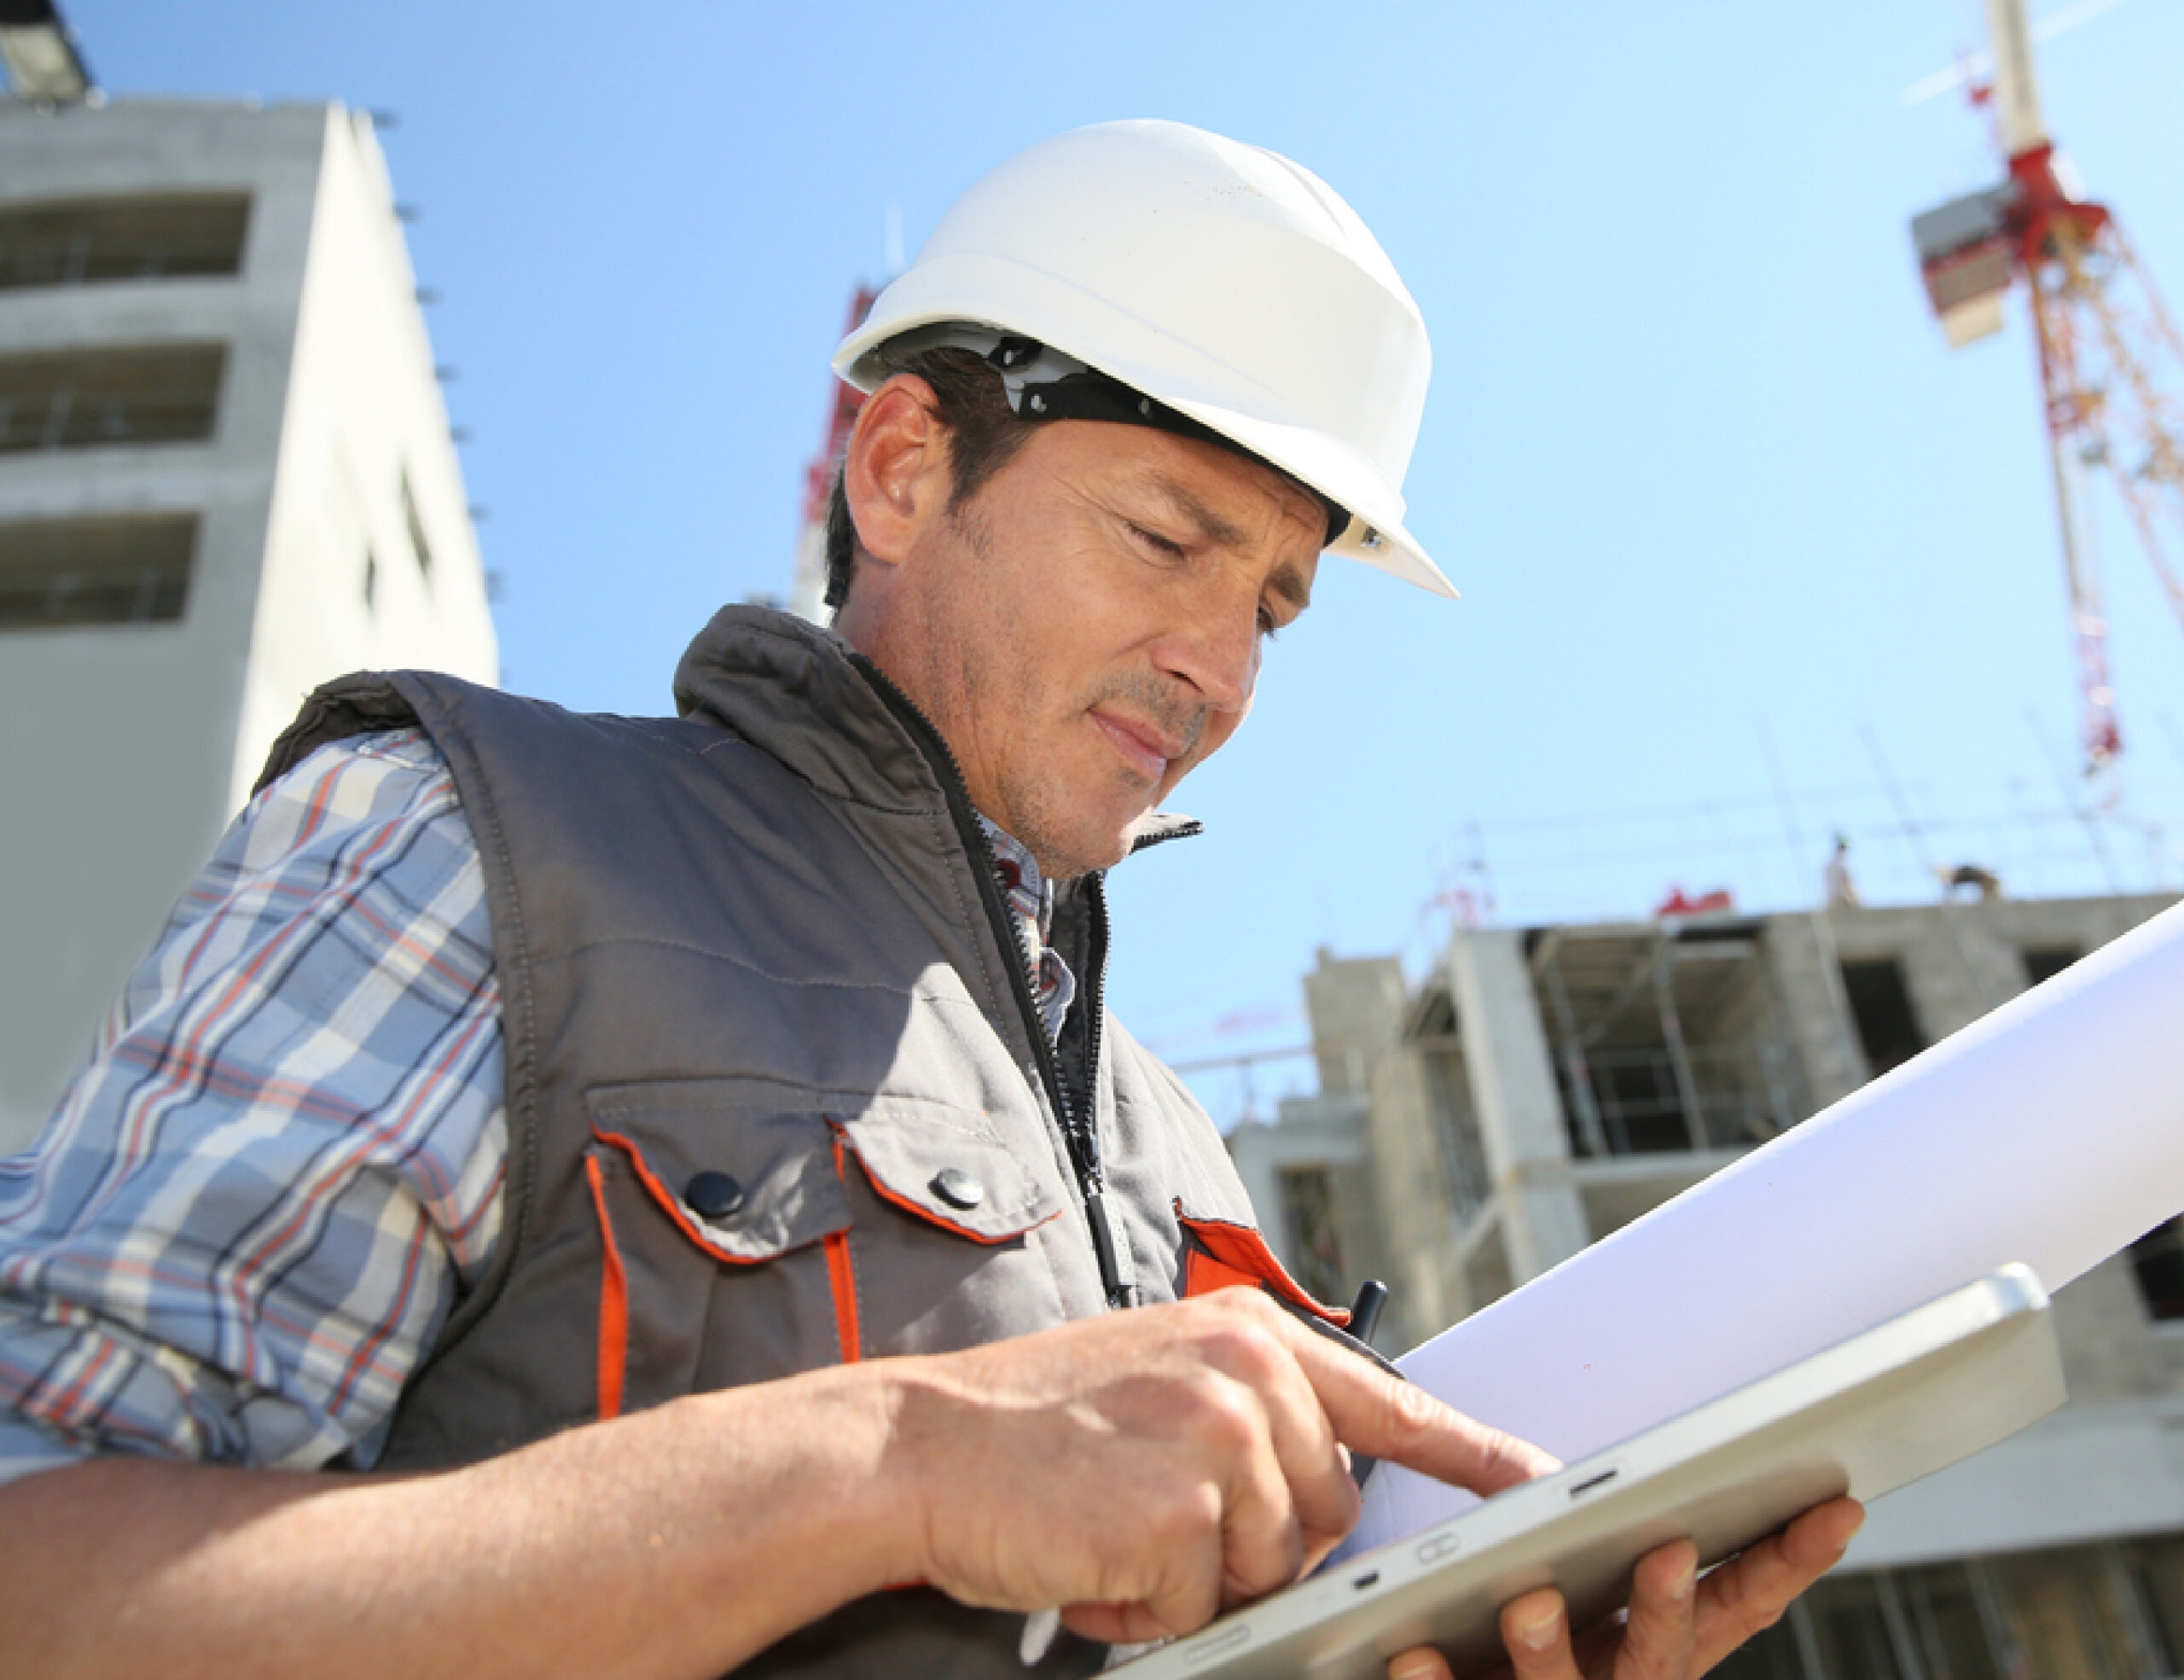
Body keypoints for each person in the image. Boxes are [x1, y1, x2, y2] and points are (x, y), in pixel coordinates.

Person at [0, 120, 1859, 1678]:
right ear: (898, 467)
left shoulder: (1178, 1156)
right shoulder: (467, 850)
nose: (1216, 666)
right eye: (1164, 538)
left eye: (1276, 605)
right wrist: (888, 1461)